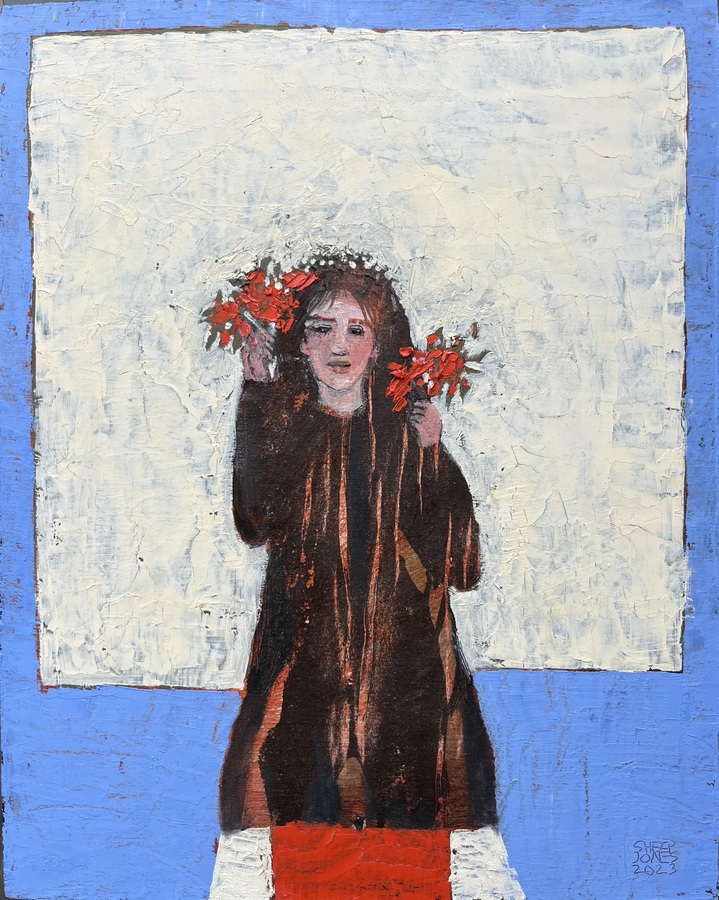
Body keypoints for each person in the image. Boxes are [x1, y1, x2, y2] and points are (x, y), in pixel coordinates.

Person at [218, 258, 497, 834]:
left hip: (402, 673)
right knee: (292, 821)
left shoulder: (407, 436)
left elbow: (463, 565)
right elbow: (253, 522)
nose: (338, 347)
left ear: (380, 342)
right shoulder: (283, 424)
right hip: (305, 665)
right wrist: (255, 392)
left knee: (413, 833)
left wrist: (433, 454)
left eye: (355, 329)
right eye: (321, 329)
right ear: (300, 342)